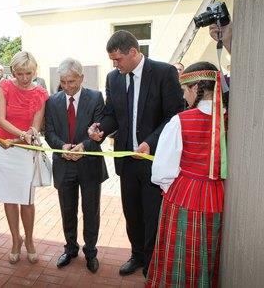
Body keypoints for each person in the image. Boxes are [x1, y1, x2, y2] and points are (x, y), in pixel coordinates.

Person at [88, 30, 184, 277]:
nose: (114, 64)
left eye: (117, 58)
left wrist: (150, 143)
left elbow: (174, 117)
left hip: (153, 161)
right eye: (112, 60)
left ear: (133, 52)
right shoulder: (114, 78)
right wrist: (101, 129)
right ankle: (137, 255)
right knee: (132, 214)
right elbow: (112, 115)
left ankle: (152, 261)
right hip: (126, 162)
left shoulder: (164, 73)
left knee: (152, 215)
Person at [146, 62, 225, 286]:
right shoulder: (228, 120)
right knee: (208, 249)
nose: (184, 95)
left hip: (184, 193)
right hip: (217, 194)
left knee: (179, 251)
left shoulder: (180, 121)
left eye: (185, 89)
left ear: (196, 87)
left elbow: (162, 170)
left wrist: (168, 188)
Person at [45, 58, 107, 273]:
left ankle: (90, 252)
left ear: (81, 78)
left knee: (91, 211)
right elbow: (49, 132)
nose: (68, 86)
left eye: (72, 81)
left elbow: (101, 131)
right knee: (67, 210)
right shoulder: (52, 101)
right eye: (63, 81)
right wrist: (63, 147)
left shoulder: (96, 98)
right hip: (64, 164)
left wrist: (82, 146)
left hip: (89, 163)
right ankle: (70, 248)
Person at [0, 51, 48, 264]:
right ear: (13, 70)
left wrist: (28, 134)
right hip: (4, 148)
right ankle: (16, 240)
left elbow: (36, 124)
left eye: (29, 73)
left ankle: (30, 240)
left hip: (25, 150)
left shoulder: (40, 92)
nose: (24, 78)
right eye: (20, 73)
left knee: (27, 198)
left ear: (35, 71)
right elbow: (0, 119)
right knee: (9, 197)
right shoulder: (4, 87)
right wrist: (21, 134)